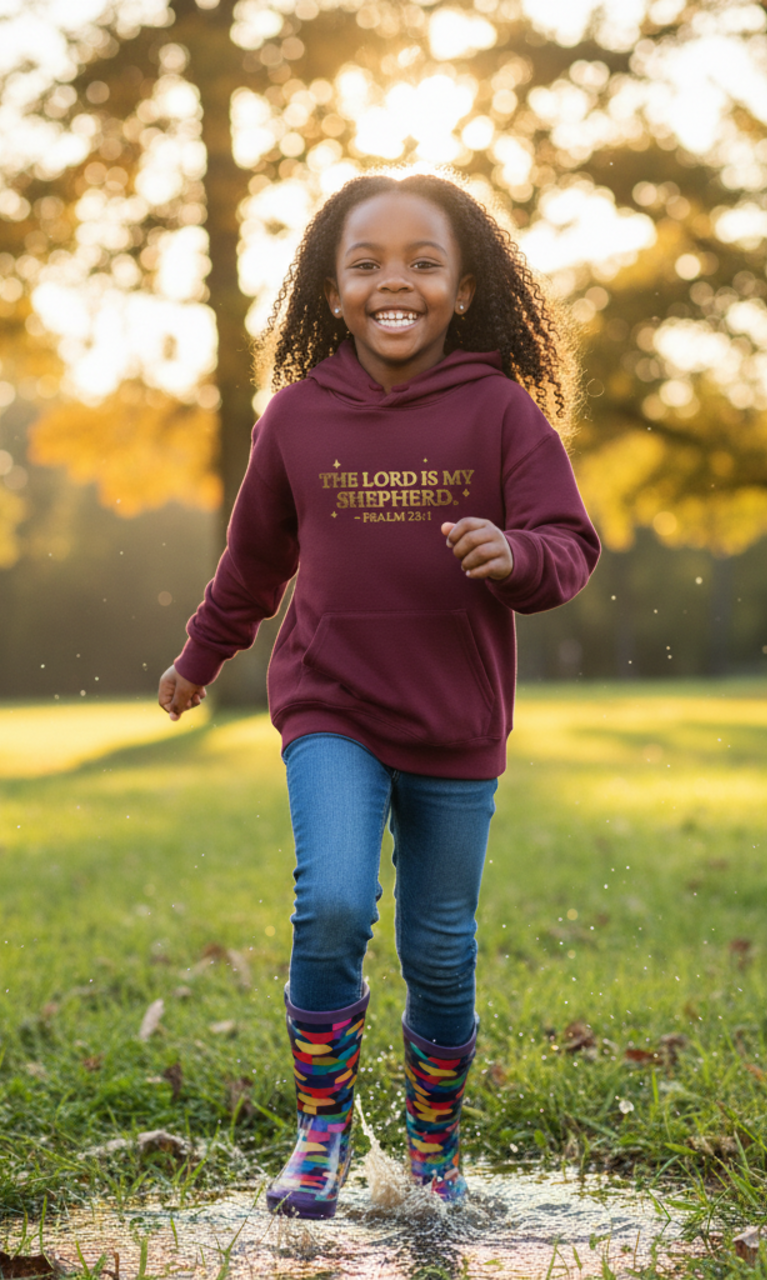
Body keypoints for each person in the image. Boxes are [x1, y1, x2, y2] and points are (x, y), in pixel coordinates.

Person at [159, 171, 600, 1219]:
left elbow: (570, 545)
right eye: (364, 264)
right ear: (328, 287)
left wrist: (515, 551)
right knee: (336, 902)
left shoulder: (500, 413)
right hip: (331, 709)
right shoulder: (296, 419)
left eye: (421, 262)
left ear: (460, 288)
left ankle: (432, 1151)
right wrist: (199, 655)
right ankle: (318, 1131)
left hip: (456, 721)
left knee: (439, 945)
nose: (391, 282)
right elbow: (250, 564)